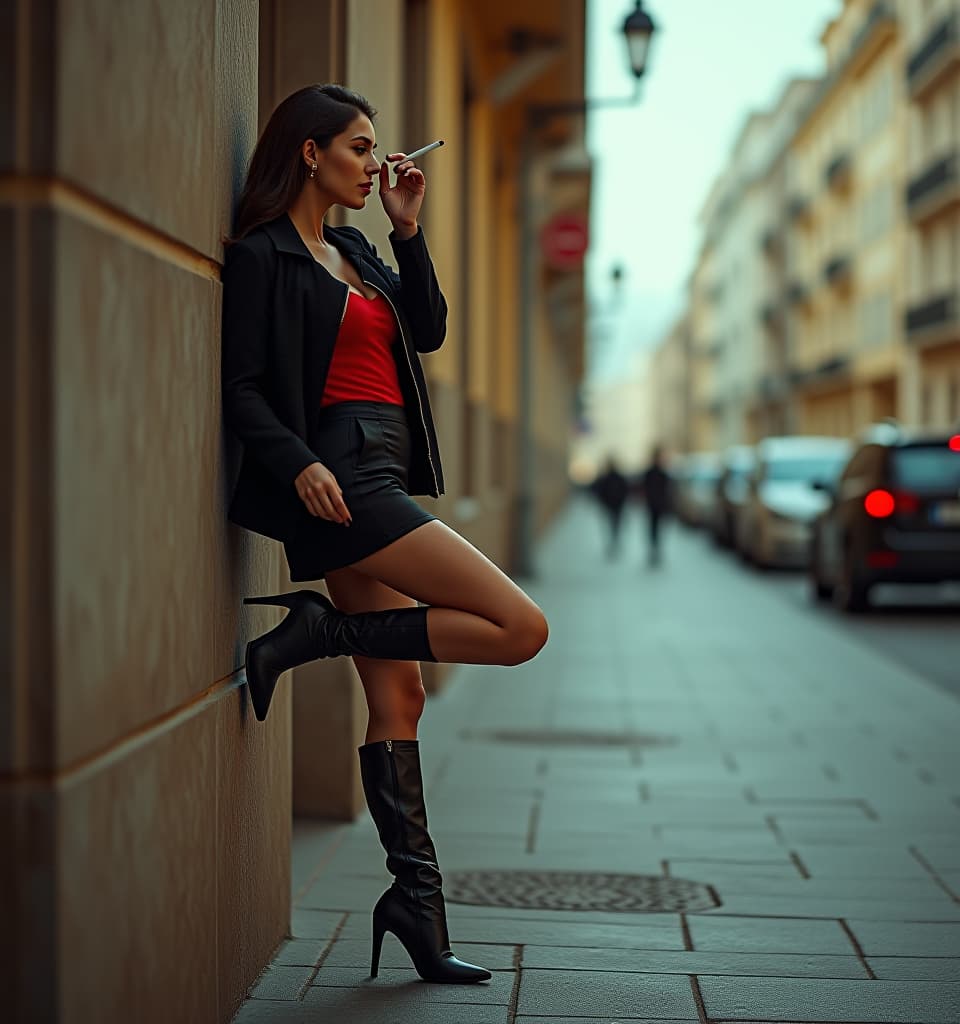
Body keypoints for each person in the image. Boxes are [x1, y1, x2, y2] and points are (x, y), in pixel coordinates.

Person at [220, 84, 548, 986]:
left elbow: (428, 331)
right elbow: (241, 387)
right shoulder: (263, 258)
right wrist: (296, 463)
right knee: (521, 629)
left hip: (384, 474)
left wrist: (408, 229)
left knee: (400, 700)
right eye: (360, 149)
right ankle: (319, 631)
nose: (377, 164)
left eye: (376, 150)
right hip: (341, 480)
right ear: (309, 153)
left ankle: (415, 906)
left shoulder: (357, 248)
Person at [637, 444, 672, 566]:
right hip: (654, 505)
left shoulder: (656, 473)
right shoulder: (656, 473)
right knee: (654, 529)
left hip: (655, 505)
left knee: (655, 529)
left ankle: (655, 551)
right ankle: (654, 551)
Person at [590, 457, 629, 559]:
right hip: (613, 506)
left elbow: (624, 491)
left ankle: (613, 543)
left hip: (614, 506)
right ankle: (613, 543)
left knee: (613, 525)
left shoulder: (608, 478)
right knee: (614, 525)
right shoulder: (610, 478)